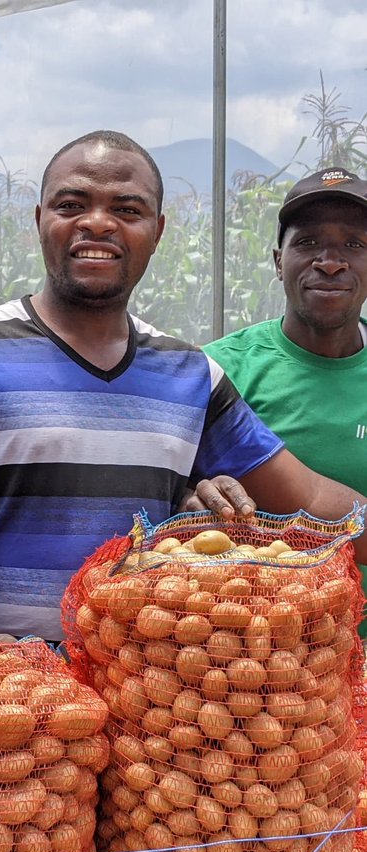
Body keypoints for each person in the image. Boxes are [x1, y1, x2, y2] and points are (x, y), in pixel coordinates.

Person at [0, 132, 367, 682]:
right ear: (40, 220)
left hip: (146, 697)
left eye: (127, 209)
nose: (98, 223)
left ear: (158, 231)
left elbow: (308, 497)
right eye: (72, 204)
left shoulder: (191, 374)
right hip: (0, 691)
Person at [203, 166, 367, 630]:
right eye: (308, 243)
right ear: (279, 261)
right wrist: (189, 497)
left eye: (354, 244)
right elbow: (167, 489)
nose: (330, 262)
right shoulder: (218, 371)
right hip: (254, 655)